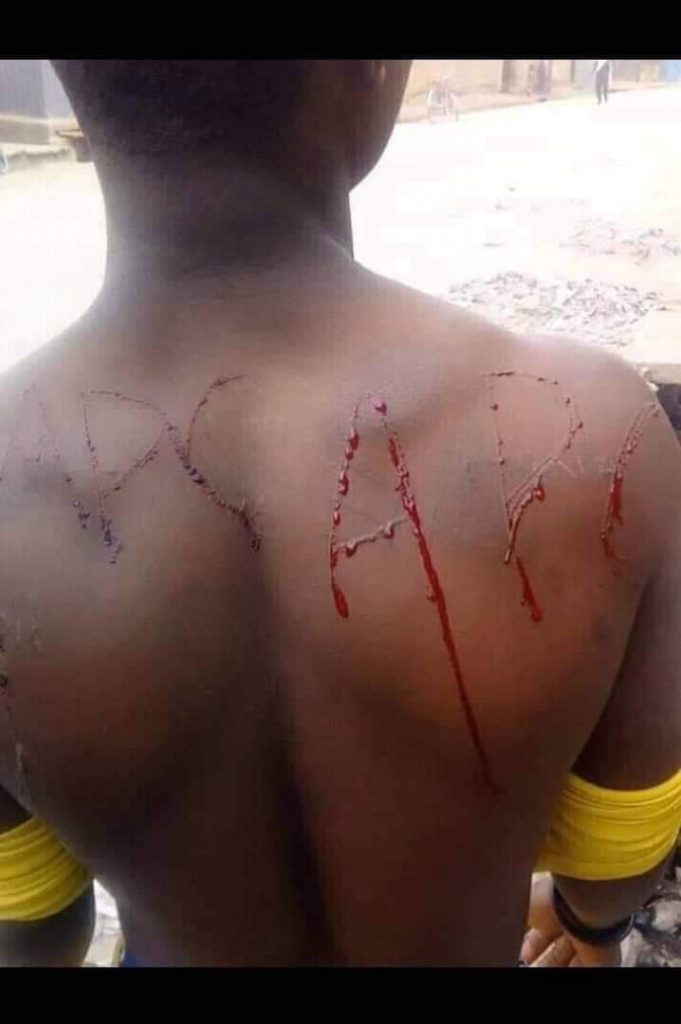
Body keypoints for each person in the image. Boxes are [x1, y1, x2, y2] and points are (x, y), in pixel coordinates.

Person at [0, 59, 680, 967]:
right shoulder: (599, 432)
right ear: (373, 72)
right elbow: (615, 867)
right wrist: (585, 924)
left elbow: (40, 923)